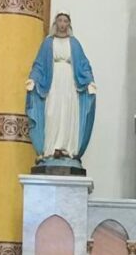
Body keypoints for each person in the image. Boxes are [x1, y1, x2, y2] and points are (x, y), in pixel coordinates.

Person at [25, 12, 96, 165]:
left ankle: (66, 148)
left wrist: (89, 81)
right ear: (55, 23)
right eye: (60, 21)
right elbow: (39, 65)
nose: (62, 24)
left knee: (68, 112)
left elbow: (84, 65)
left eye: (65, 21)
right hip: (53, 83)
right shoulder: (48, 43)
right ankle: (51, 148)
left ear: (69, 24)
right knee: (53, 112)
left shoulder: (74, 43)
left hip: (69, 83)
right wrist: (33, 79)